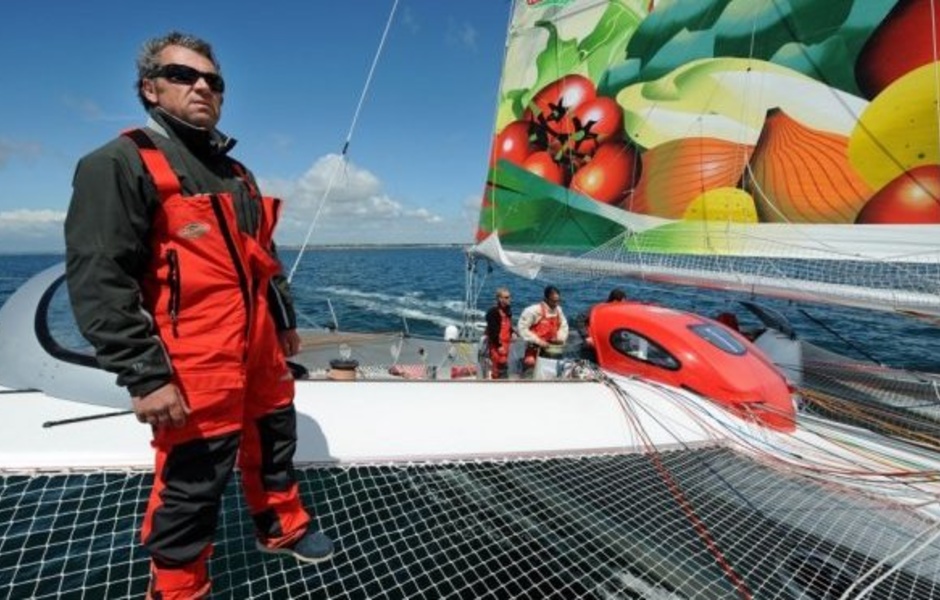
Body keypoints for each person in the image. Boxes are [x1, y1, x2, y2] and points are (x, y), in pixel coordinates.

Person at [64, 32, 332, 599]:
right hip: (193, 354)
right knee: (192, 479)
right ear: (150, 88)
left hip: (258, 345)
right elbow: (98, 277)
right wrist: (145, 372)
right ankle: (180, 588)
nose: (203, 86)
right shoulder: (119, 163)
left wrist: (283, 321)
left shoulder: (238, 173)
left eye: (213, 80)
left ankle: (279, 526)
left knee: (275, 438)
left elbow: (264, 257)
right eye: (183, 75)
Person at [518, 285, 569, 371]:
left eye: (558, 301)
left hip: (552, 349)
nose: (556, 304)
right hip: (534, 348)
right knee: (530, 362)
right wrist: (539, 341)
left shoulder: (558, 310)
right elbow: (522, 328)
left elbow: (564, 326)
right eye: (553, 301)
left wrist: (560, 338)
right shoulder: (533, 311)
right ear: (546, 299)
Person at [484, 287, 514, 379]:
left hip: (506, 344)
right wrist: (499, 346)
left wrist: (512, 332)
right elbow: (492, 332)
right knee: (497, 368)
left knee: (503, 365)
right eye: (506, 297)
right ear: (499, 299)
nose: (509, 299)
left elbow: (508, 325)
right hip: (497, 346)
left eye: (509, 297)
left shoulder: (508, 310)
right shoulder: (493, 312)